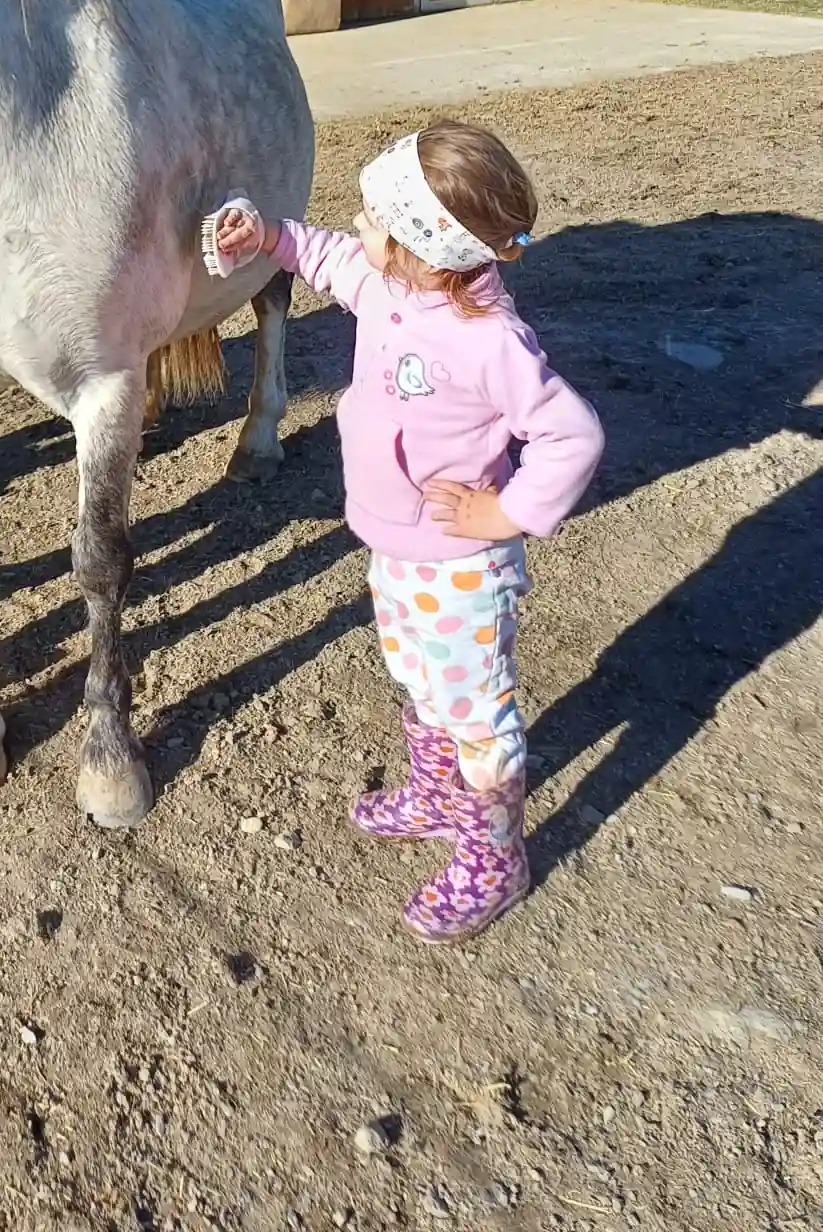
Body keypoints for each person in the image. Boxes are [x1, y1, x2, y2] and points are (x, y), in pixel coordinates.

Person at [206, 122, 603, 941]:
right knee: (419, 678)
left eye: (373, 219)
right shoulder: (393, 286)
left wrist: (507, 513)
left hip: (462, 567)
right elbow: (325, 258)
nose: (358, 226)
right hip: (395, 550)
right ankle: (435, 796)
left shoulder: (489, 341)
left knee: (476, 713)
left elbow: (574, 435)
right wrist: (270, 236)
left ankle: (495, 856)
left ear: (422, 248)